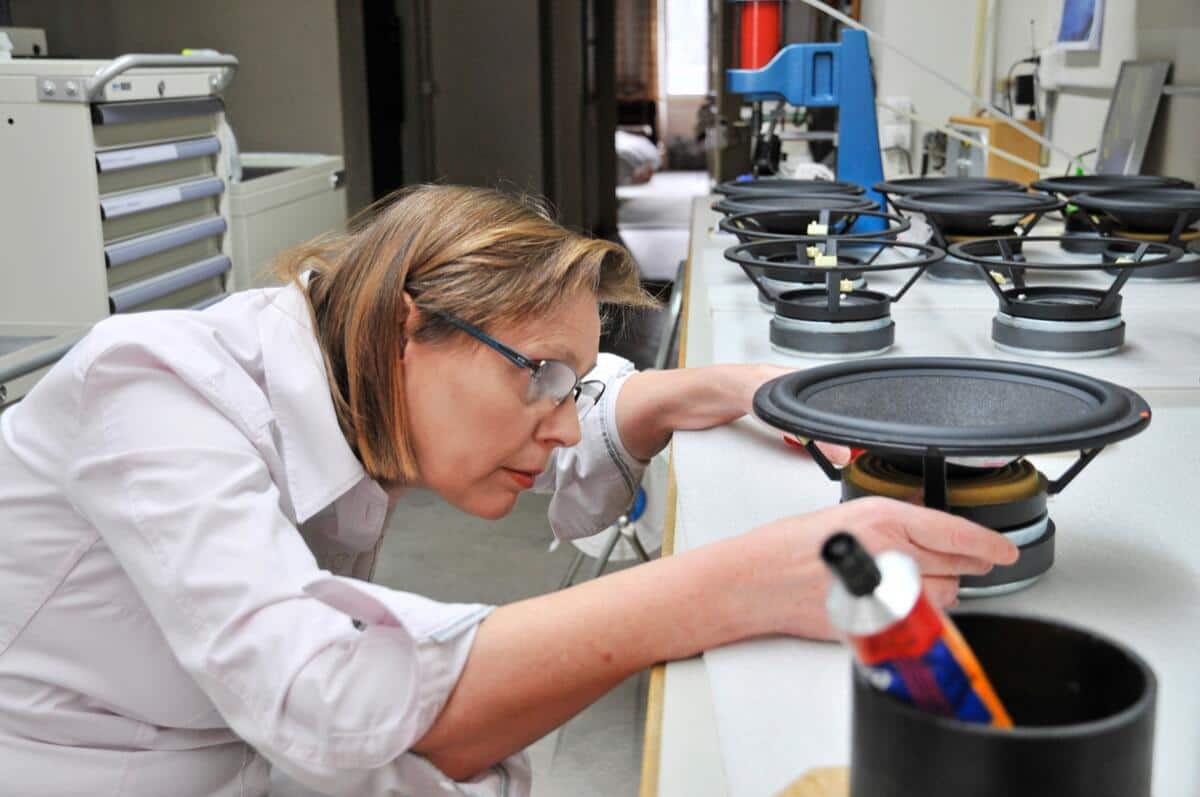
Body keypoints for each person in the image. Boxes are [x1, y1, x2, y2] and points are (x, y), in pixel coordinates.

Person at [0, 185, 1017, 796]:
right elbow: (313, 692)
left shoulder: (351, 379)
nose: (564, 417)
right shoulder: (150, 385)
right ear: (411, 324)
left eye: (571, 385)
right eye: (539, 376)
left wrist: (700, 390)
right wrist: (741, 582)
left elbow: (565, 406)